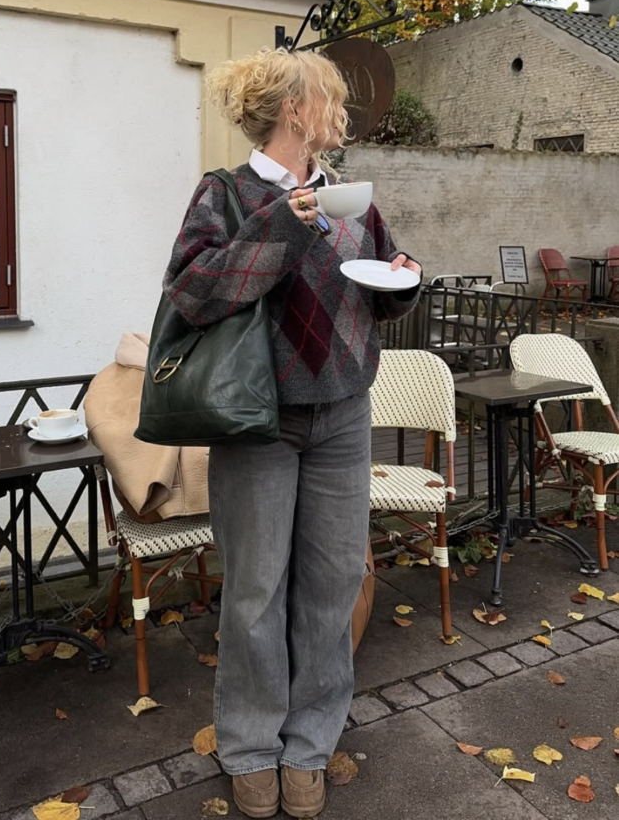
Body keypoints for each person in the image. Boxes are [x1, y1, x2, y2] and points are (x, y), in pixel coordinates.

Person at [163, 48, 421, 819]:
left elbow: (376, 284)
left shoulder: (352, 199)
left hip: (343, 412)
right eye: (331, 99)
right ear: (292, 109)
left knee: (334, 583)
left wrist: (403, 281)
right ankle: (249, 746)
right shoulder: (226, 194)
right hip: (257, 421)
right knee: (255, 591)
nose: (343, 112)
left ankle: (309, 743)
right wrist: (282, 226)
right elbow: (193, 294)